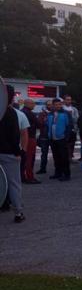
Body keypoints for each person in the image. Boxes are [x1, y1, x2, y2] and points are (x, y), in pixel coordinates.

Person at [0, 85, 26, 222]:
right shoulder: (10, 113)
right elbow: (14, 136)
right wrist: (18, 153)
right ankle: (18, 212)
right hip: (9, 154)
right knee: (14, 183)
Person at [48, 98, 72, 181]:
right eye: (56, 105)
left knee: (64, 157)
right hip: (53, 139)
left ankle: (66, 174)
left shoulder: (66, 114)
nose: (58, 106)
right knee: (56, 157)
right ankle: (58, 173)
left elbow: (69, 126)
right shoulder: (50, 114)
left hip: (62, 138)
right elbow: (48, 126)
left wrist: (66, 137)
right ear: (53, 105)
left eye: (59, 104)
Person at [21, 99, 40, 184]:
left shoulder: (21, 112)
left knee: (24, 158)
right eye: (33, 103)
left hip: (22, 138)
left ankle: (23, 176)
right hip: (30, 138)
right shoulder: (29, 113)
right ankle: (30, 177)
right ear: (27, 104)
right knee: (30, 158)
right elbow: (38, 124)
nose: (34, 105)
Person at [36, 100, 53, 174]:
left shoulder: (55, 113)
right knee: (44, 154)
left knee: (57, 153)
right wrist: (45, 120)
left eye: (51, 104)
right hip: (44, 136)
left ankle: (58, 170)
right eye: (48, 104)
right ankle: (43, 169)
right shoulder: (42, 114)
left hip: (53, 137)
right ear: (46, 105)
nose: (50, 106)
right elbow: (39, 124)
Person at [63, 95, 79, 160]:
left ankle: (70, 157)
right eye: (67, 99)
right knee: (65, 145)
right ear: (64, 100)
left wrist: (71, 116)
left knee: (72, 144)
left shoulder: (74, 109)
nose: (69, 101)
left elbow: (77, 119)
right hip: (65, 130)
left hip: (73, 130)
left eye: (70, 100)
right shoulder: (62, 109)